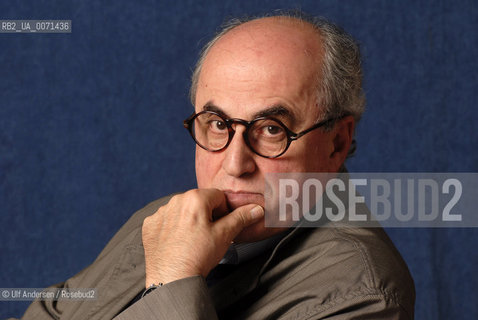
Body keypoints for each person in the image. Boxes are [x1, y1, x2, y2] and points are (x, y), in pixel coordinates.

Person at [14, 11, 415, 320]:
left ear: (337, 143)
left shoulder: (363, 295)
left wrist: (172, 279)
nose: (234, 163)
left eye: (272, 129)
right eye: (219, 124)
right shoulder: (171, 220)